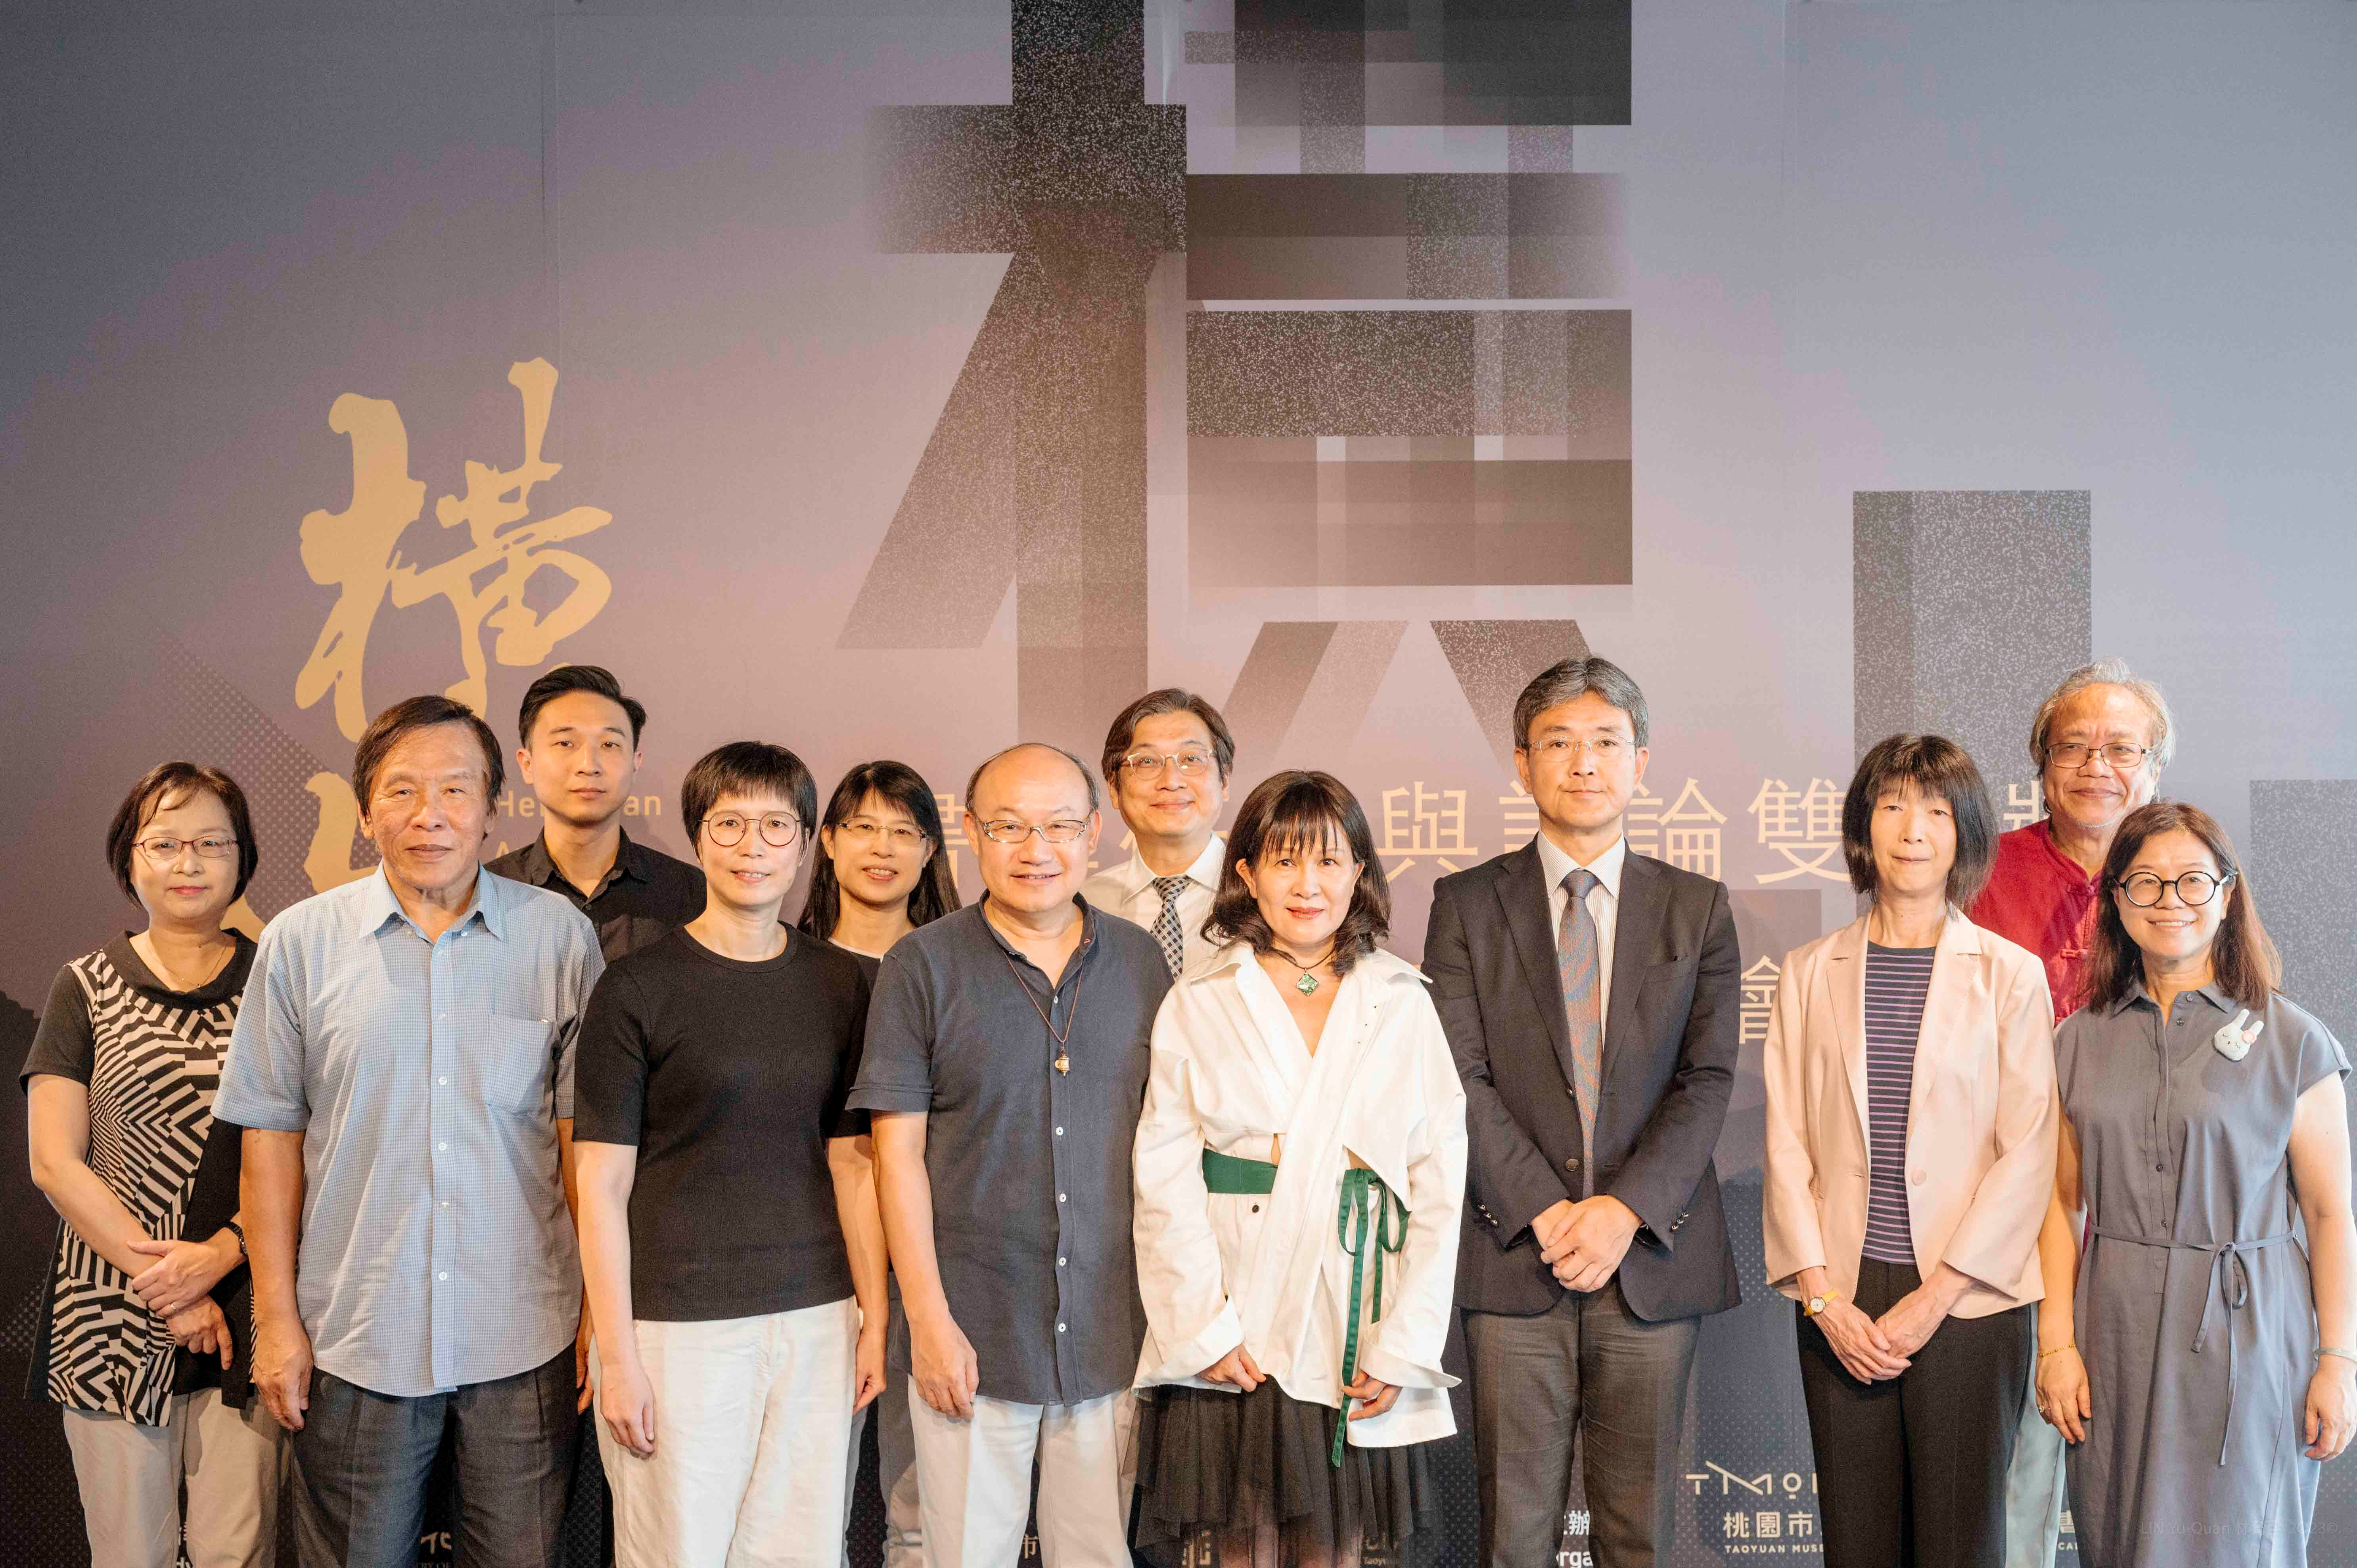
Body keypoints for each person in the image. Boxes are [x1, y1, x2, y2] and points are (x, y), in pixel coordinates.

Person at [214, 695, 605, 1568]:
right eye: (401, 790)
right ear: (365, 813)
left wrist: (597, 1312)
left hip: (524, 1331)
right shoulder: (300, 944)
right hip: (357, 1333)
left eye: (456, 790)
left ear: (492, 808)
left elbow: (581, 1142)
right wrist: (276, 1323)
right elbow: (269, 1145)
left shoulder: (558, 940)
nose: (430, 814)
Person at [1425, 656, 1742, 1568]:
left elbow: (1706, 1079)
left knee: (1639, 1536)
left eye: (1606, 741)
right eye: (1558, 742)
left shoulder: (1696, 907)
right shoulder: (1465, 904)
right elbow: (1457, 1076)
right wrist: (1547, 1209)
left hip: (1649, 1261)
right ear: (1522, 764)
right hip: (1514, 1258)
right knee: (1512, 1534)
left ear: (1640, 762)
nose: (1584, 763)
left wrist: (1621, 1210)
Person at [1131, 770, 1466, 1567]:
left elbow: (1437, 1183)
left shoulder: (1400, 998)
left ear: (1359, 872)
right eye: (1284, 861)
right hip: (1237, 1314)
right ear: (1246, 873)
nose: (1307, 885)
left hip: (1355, 1314)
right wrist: (1200, 1330)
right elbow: (1163, 1179)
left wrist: (1402, 1342)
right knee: (1239, 1544)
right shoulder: (1199, 997)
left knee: (1334, 1549)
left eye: (1327, 861)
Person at [848, 743, 1172, 1568]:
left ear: (1093, 832)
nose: (1036, 849)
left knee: (1096, 1554)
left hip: (1108, 1329)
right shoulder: (922, 965)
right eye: (1009, 827)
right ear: (970, 833)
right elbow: (895, 1157)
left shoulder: (1140, 962)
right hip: (972, 1329)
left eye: (1059, 826)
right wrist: (928, 1323)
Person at [573, 742, 887, 1567]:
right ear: (698, 837)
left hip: (816, 1318)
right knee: (676, 1551)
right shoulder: (634, 987)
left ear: (807, 842)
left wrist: (874, 1319)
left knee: (802, 1552)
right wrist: (617, 1355)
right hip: (676, 1329)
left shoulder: (842, 984)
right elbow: (599, 1183)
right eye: (729, 824)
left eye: (776, 826)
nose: (753, 846)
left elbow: (853, 1164)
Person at [1761, 734, 2058, 1568]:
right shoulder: (1807, 972)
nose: (1911, 829)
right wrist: (1821, 1300)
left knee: (1961, 1543)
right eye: (1891, 806)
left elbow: (2027, 1151)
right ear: (1864, 826)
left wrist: (1936, 1298)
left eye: (1935, 810)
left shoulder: (2008, 974)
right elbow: (1784, 1143)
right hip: (1842, 1298)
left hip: (1968, 1300)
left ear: (1964, 831)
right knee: (1855, 1541)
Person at [2033, 800, 2355, 1567]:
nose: (2167, 901)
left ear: (2226, 892)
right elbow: (2058, 1204)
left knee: (2240, 1541)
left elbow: (2328, 1213)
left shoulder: (2291, 1039)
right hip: (2114, 1330)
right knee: (2118, 1536)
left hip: (2252, 1329)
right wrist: (2055, 1346)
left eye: (2190, 881)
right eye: (2144, 882)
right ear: (2115, 899)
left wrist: (2337, 1360)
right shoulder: (2075, 1040)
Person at [21, 762, 285, 1568]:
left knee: (236, 1552)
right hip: (111, 1310)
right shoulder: (85, 987)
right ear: (129, 857)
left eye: (212, 843)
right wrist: (170, 1285)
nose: (187, 863)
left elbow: (308, 1147)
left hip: (248, 1308)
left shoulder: (279, 981)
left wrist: (218, 1258)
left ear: (242, 858)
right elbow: (54, 1162)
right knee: (129, 1555)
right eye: (164, 844)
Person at [1969, 658, 2175, 1568]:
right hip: (2013, 1217)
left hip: (2153, 1226)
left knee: (2150, 1485)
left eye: (2122, 749)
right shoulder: (1981, 872)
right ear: (2040, 764)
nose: (2097, 766)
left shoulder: (2185, 879)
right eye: (2074, 747)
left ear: (2154, 768)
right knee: (2019, 1473)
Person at [800, 760, 964, 1568]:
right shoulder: (786, 967)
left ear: (931, 850)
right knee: (804, 1515)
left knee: (923, 1514)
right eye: (862, 827)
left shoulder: (958, 970)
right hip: (812, 1276)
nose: (882, 847)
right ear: (827, 841)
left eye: (904, 831)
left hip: (934, 1274)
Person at [487, 662, 705, 959]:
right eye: (565, 743)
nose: (589, 765)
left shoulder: (690, 895)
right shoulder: (488, 894)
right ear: (527, 764)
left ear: (635, 763)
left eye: (609, 744)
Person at [1080, 689, 1236, 981]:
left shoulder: (1267, 896)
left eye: (1192, 758)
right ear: (1114, 788)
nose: (1171, 781)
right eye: (1147, 762)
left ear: (1224, 779)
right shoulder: (1083, 907)